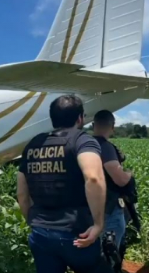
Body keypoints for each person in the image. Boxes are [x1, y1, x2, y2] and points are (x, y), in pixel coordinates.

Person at [17, 95, 110, 273]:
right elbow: (93, 178)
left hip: (40, 232)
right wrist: (98, 224)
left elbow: (22, 192)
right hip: (77, 233)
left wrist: (32, 219)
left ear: (52, 119)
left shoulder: (33, 145)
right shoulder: (82, 140)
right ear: (80, 118)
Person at [91, 110, 131, 249]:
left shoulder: (83, 145)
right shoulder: (105, 147)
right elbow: (120, 179)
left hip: (86, 210)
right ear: (112, 127)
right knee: (109, 255)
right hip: (107, 210)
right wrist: (129, 174)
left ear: (92, 125)